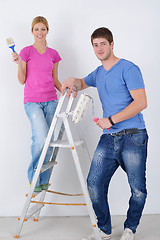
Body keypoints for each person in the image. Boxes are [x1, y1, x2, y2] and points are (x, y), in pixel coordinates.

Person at [61, 27, 148, 240]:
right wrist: (73, 80)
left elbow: (141, 103)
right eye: (95, 44)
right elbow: (82, 83)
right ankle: (105, 228)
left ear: (111, 44)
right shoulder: (99, 73)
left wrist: (110, 120)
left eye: (103, 43)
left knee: (138, 189)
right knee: (94, 183)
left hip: (133, 136)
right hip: (109, 139)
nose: (99, 48)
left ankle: (130, 228)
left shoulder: (129, 68)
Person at [12, 16, 62, 192]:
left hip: (51, 101)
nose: (40, 33)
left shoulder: (53, 54)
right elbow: (22, 80)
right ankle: (34, 178)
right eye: (36, 29)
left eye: (43, 29)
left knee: (49, 141)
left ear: (47, 31)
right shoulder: (26, 52)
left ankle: (43, 181)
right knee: (40, 139)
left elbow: (55, 80)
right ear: (32, 31)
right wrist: (19, 64)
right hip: (32, 102)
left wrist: (65, 90)